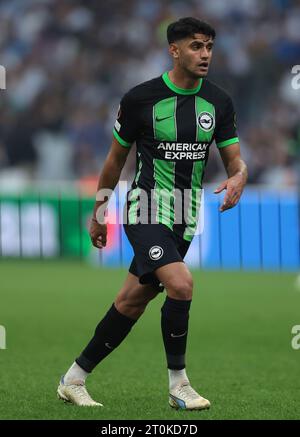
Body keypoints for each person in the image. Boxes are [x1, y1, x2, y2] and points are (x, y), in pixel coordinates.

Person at [57, 17, 247, 410]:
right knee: (181, 284)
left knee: (131, 302)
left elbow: (236, 163)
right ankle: (179, 385)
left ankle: (73, 379)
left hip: (184, 215)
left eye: (209, 46)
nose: (205, 54)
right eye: (196, 46)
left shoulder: (219, 102)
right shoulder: (140, 99)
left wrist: (239, 178)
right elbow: (114, 160)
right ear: (174, 50)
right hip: (144, 209)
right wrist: (99, 211)